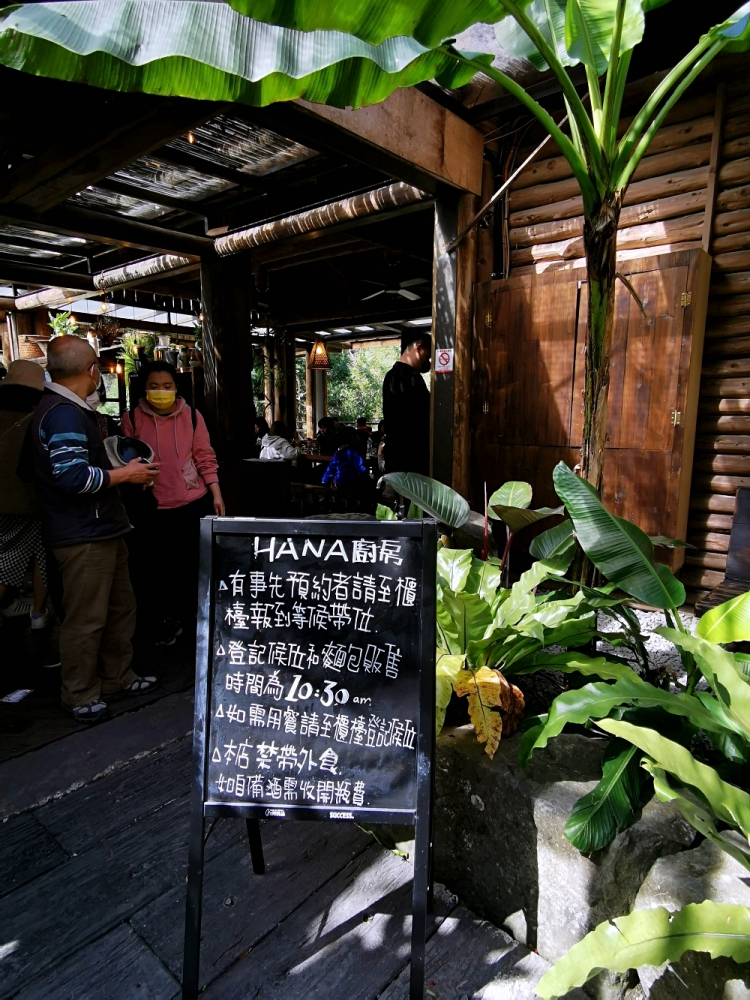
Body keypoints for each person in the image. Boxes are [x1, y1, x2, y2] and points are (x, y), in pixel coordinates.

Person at [31, 336, 160, 723]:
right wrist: (125, 473)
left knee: (120, 608)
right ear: (91, 372)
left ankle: (116, 677)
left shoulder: (63, 410)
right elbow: (71, 478)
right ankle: (80, 693)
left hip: (103, 529)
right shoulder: (63, 414)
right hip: (82, 535)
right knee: (87, 618)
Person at [121, 360, 224, 645]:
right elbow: (126, 460)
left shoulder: (192, 416)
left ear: (176, 388)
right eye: (154, 387)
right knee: (155, 572)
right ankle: (163, 626)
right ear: (144, 389)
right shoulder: (131, 418)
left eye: (167, 386)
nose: (161, 392)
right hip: (151, 507)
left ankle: (195, 628)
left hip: (191, 503)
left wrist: (216, 493)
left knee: (190, 569)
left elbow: (205, 456)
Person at [0, 360, 48, 629]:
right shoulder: (37, 415)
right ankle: (38, 614)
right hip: (26, 501)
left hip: (4, 502)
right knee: (34, 556)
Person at [382, 333, 431, 475]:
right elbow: (426, 413)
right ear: (418, 348)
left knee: (399, 496)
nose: (425, 361)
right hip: (413, 454)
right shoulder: (412, 377)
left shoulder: (389, 376)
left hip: (394, 452)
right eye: (426, 356)